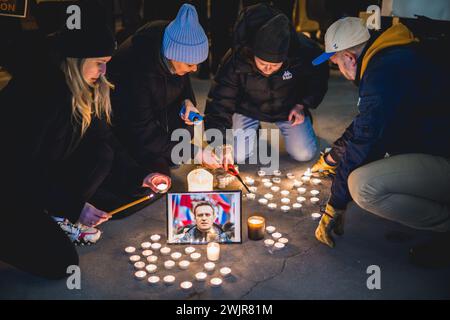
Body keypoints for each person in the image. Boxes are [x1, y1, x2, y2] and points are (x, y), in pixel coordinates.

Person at [0, 3, 169, 279]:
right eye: (99, 62)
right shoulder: (38, 94)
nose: (104, 72)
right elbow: (19, 170)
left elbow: (106, 141)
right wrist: (74, 206)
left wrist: (143, 174)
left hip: (40, 176)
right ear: (76, 60)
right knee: (60, 264)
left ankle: (53, 215)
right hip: (9, 188)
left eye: (107, 63)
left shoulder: (81, 87)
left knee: (101, 152)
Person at [311, 17, 450, 267]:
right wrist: (333, 157)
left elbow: (367, 139)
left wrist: (336, 203)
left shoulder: (382, 74)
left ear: (350, 58)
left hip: (442, 155)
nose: (341, 72)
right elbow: (366, 124)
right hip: (434, 143)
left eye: (337, 63)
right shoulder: (391, 55)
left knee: (361, 185)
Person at [204, 4, 329, 169]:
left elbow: (317, 78)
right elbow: (220, 102)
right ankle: (252, 131)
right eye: (263, 63)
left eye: (276, 65)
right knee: (237, 155)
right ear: (253, 52)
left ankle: (301, 124)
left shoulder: (302, 50)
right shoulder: (235, 60)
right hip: (247, 108)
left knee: (304, 154)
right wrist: (220, 143)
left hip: (287, 108)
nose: (268, 69)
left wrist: (302, 104)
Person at [109, 3, 221, 175]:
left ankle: (167, 152)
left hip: (159, 103)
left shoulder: (174, 46)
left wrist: (188, 101)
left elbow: (183, 81)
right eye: (190, 64)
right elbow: (142, 129)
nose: (195, 70)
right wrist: (195, 153)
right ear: (171, 55)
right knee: (157, 176)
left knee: (185, 130)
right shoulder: (136, 70)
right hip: (128, 124)